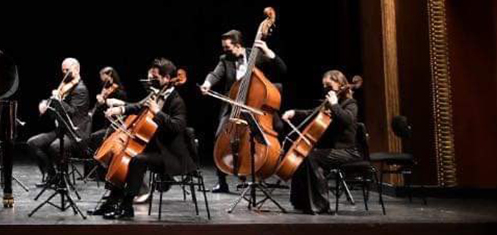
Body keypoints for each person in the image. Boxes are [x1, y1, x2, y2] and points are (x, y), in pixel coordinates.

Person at [95, 59, 193, 219]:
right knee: (122, 156)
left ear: (167, 78)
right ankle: (111, 203)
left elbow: (178, 127)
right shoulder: (157, 94)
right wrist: (120, 109)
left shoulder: (176, 101)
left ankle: (127, 207)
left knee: (136, 160)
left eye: (156, 77)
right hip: (154, 147)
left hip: (169, 153)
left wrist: (158, 112)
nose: (152, 80)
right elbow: (139, 106)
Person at [200, 29, 285, 193]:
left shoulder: (257, 54)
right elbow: (215, 74)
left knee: (279, 128)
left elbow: (282, 69)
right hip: (234, 104)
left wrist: (268, 52)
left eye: (227, 47)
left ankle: (263, 170)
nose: (225, 51)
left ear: (238, 45)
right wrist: (207, 84)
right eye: (223, 48)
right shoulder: (225, 59)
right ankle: (221, 181)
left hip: (258, 104)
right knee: (220, 135)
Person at [280, 70, 361, 215]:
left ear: (340, 84)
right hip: (331, 150)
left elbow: (347, 120)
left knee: (311, 156)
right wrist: (294, 112)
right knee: (304, 156)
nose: (326, 89)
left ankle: (321, 204)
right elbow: (312, 113)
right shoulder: (328, 103)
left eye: (329, 85)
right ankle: (302, 202)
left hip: (347, 151)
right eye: (324, 86)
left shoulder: (351, 103)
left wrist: (335, 105)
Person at [27, 57, 92, 184]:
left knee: (56, 147)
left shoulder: (81, 89)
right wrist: (45, 103)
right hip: (63, 130)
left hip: (76, 133)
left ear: (77, 69)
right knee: (32, 143)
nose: (65, 73)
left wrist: (59, 100)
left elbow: (74, 112)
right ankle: (51, 175)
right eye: (63, 71)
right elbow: (54, 104)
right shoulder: (66, 86)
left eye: (68, 70)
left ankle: (63, 178)